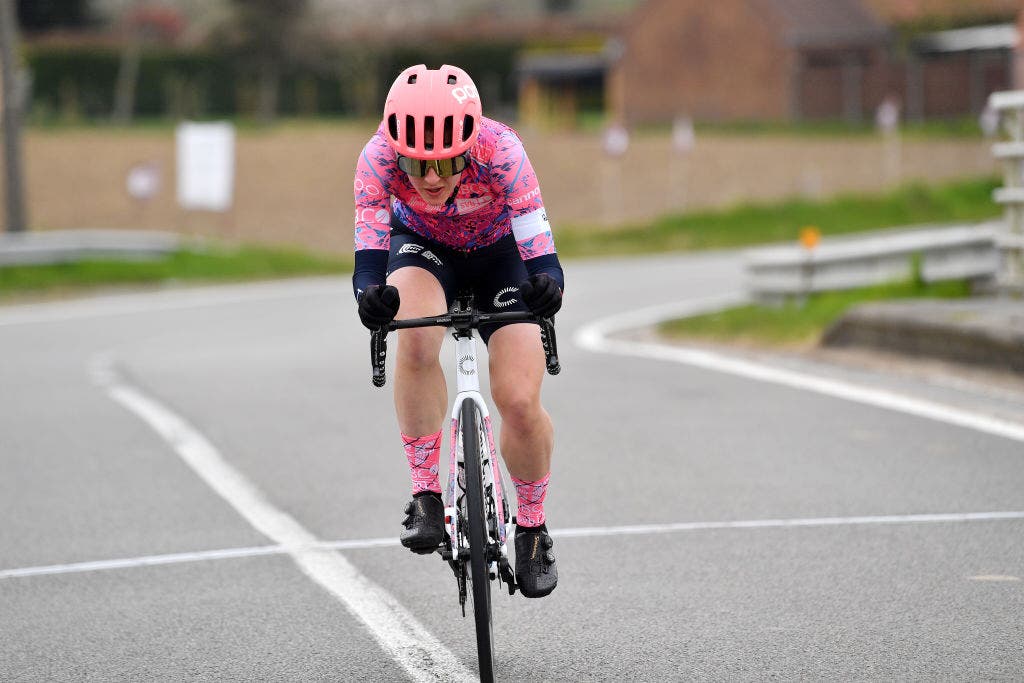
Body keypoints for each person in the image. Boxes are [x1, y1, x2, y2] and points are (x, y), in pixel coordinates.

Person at [352, 64, 564, 598]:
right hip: (425, 250)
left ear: (468, 145)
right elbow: (370, 246)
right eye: (415, 163)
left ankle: (533, 528)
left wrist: (548, 283)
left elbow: (537, 237)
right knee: (417, 336)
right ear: (395, 149)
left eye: (445, 161)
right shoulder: (376, 158)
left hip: (501, 256)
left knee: (518, 398)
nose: (429, 178)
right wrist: (369, 297)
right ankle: (425, 492)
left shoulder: (503, 149)